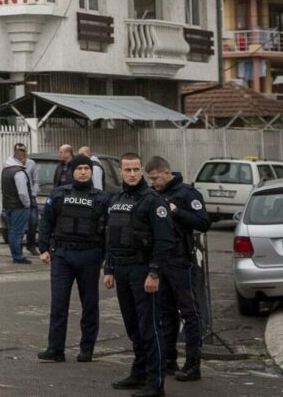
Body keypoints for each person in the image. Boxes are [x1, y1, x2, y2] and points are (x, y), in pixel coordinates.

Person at [104, 153, 176, 397]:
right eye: (128, 170)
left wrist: (154, 273)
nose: (132, 174)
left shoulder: (153, 201)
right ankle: (139, 373)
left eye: (136, 169)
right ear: (121, 171)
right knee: (133, 327)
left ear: (142, 170)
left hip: (143, 270)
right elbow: (110, 237)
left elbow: (165, 241)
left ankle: (155, 384)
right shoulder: (117, 199)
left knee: (150, 328)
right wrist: (109, 269)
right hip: (122, 270)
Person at [37, 154, 109, 363]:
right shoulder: (59, 194)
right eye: (79, 168)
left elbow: (109, 231)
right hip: (62, 256)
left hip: (89, 255)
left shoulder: (102, 198)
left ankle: (87, 349)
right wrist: (43, 248)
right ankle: (55, 349)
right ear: (72, 171)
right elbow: (46, 222)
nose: (83, 171)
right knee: (58, 303)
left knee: (90, 304)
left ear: (91, 171)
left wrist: (107, 259)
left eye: (87, 168)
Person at [147, 157, 210, 382]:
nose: (152, 182)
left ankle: (193, 364)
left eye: (155, 178)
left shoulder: (187, 194)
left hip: (181, 261)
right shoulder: (154, 195)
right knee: (165, 313)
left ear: (166, 173)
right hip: (161, 261)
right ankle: (169, 359)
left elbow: (203, 222)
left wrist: (176, 211)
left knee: (189, 312)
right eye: (150, 179)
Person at [1, 142, 36, 264]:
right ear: (21, 158)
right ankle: (18, 256)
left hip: (8, 205)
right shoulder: (19, 172)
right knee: (17, 232)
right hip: (19, 207)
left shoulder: (6, 169)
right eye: (25, 158)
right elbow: (22, 192)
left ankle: (16, 254)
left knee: (12, 231)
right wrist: (27, 204)